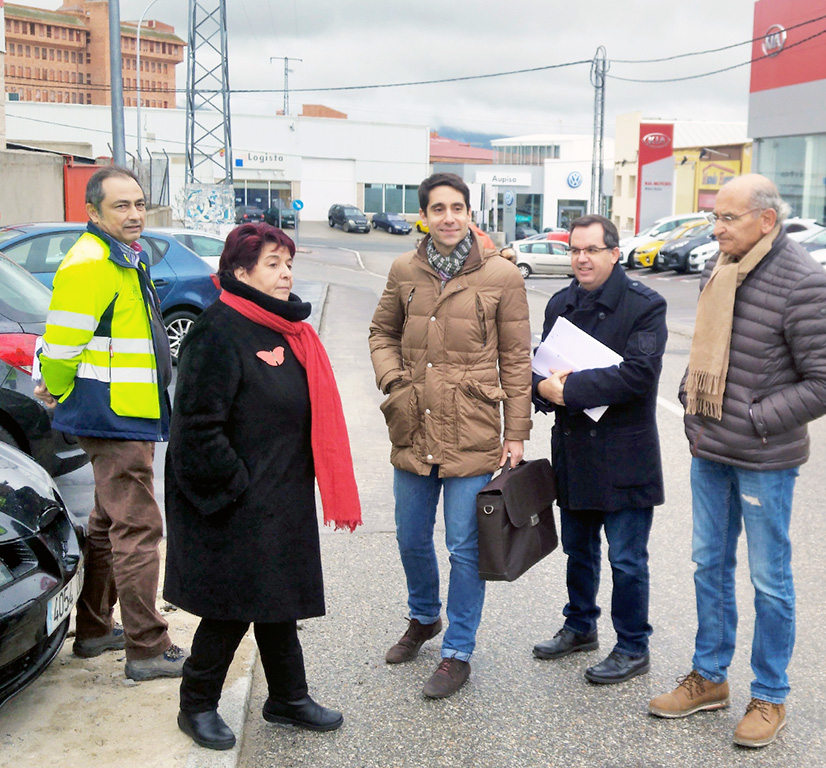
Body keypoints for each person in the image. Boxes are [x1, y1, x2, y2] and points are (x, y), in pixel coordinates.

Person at [648, 174, 826, 748]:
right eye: (715, 216)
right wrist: (692, 404)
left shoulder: (804, 283)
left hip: (764, 458)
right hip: (710, 451)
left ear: (766, 220)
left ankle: (770, 695)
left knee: (769, 581)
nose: (716, 228)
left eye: (727, 218)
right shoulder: (724, 265)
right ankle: (709, 678)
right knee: (708, 566)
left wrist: (756, 419)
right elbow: (710, 351)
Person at [164, 222, 361, 750]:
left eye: (288, 263)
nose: (285, 273)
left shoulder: (285, 328)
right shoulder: (218, 330)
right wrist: (237, 489)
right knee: (230, 609)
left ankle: (287, 698)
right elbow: (196, 428)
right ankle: (196, 704)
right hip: (237, 501)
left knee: (279, 601)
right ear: (239, 271)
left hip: (281, 495)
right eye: (272, 263)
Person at [369, 172, 532, 699]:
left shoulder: (502, 276)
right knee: (411, 537)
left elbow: (515, 358)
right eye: (437, 208)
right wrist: (394, 380)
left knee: (464, 548)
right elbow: (381, 333)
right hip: (413, 425)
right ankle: (423, 618)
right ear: (424, 215)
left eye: (457, 207)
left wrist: (517, 432)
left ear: (469, 213)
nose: (448, 217)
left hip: (473, 427)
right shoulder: (403, 269)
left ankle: (457, 651)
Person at [35, 165, 185, 681]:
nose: (136, 214)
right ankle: (148, 646)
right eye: (122, 206)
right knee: (139, 527)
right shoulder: (92, 263)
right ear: (93, 212)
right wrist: (56, 390)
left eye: (140, 204)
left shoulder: (121, 258)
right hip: (112, 417)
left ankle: (96, 629)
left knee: (106, 522)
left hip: (124, 413)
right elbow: (58, 348)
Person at [530, 214, 667, 685]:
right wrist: (540, 390)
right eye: (574, 250)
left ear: (614, 252)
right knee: (578, 550)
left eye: (591, 249)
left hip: (624, 454)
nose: (581, 258)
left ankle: (632, 646)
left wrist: (565, 392)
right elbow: (539, 368)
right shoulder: (560, 303)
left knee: (627, 559)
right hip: (574, 450)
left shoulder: (645, 305)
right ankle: (580, 625)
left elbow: (638, 375)